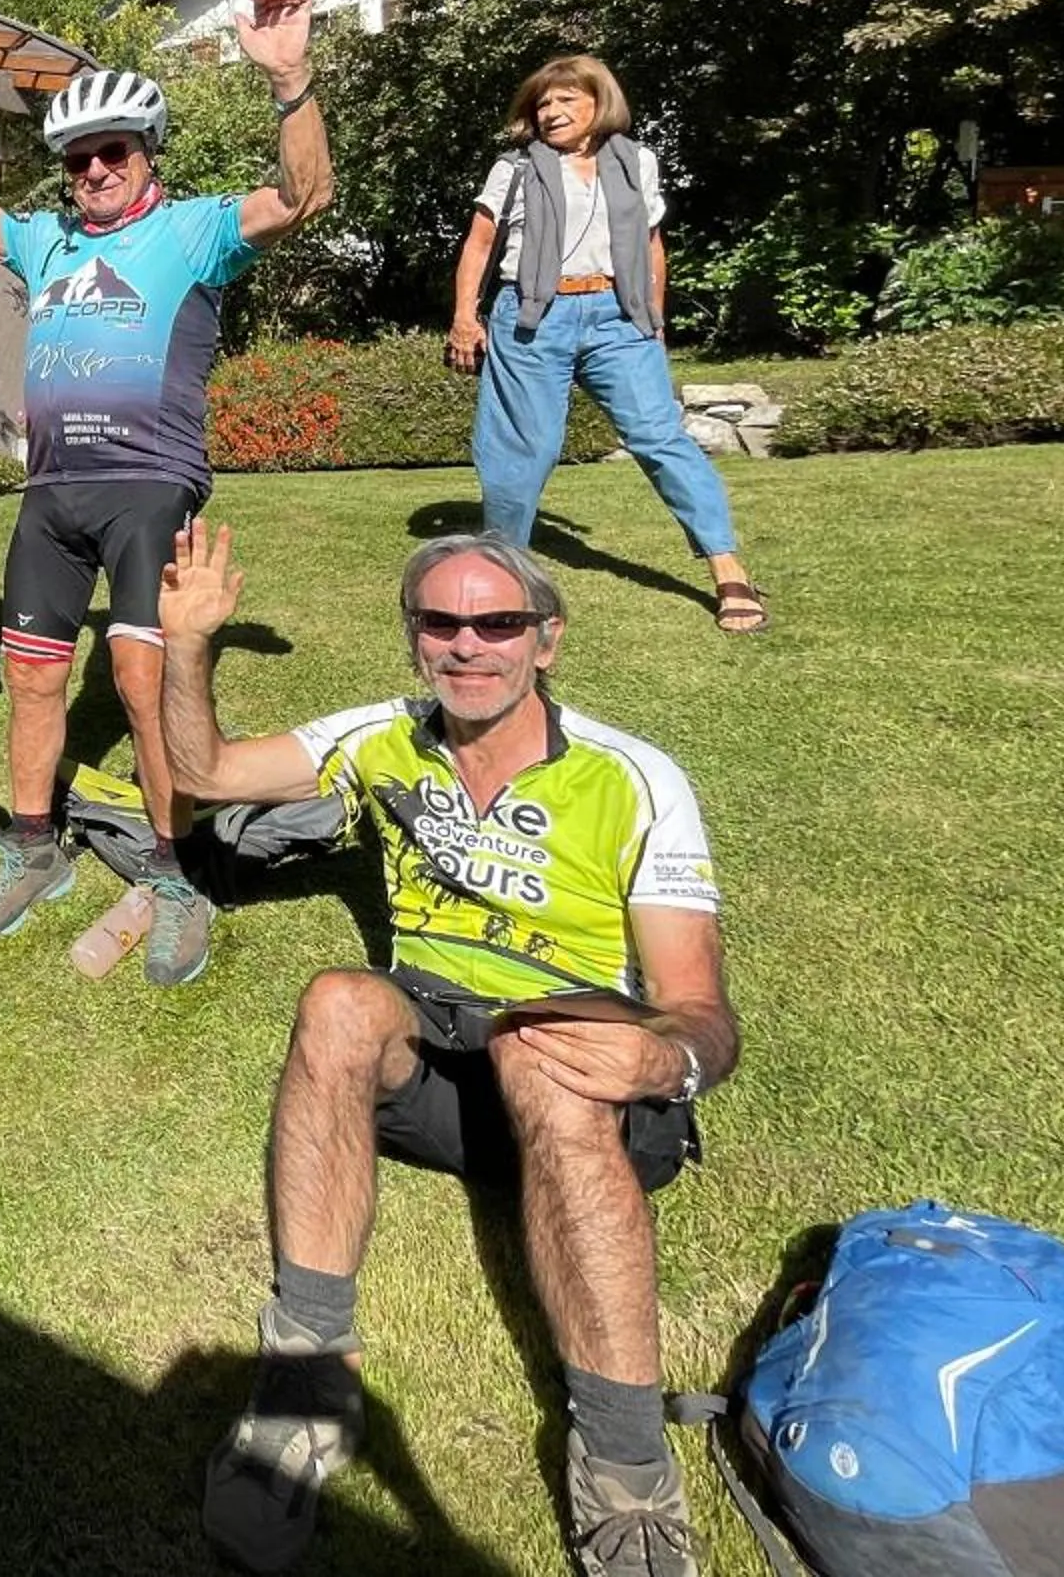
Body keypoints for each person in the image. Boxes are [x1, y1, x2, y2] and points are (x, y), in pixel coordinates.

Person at [158, 522, 737, 1577]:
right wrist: (191, 645)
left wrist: (665, 1065)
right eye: (442, 623)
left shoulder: (634, 779)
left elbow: (701, 1011)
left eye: (498, 623)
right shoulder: (384, 736)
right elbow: (202, 773)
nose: (469, 646)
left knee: (538, 1053)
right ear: (414, 638)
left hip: (577, 1084)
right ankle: (308, 1383)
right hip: (435, 1049)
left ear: (547, 641)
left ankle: (624, 1465)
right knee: (337, 1000)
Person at [0, 3, 332, 982]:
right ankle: (32, 848)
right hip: (52, 494)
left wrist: (290, 79)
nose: (95, 171)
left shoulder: (194, 233)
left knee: (144, 682)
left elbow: (302, 194)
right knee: (31, 678)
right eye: (79, 159)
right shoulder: (45, 241)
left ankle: (175, 871)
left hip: (149, 487)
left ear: (146, 151)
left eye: (112, 153)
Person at [447, 54, 766, 635]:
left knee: (659, 436)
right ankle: (503, 576)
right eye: (543, 102)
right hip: (531, 316)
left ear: (600, 102)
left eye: (566, 99)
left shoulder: (635, 162)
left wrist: (655, 319)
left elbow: (650, 244)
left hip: (618, 315)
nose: (551, 111)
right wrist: (465, 318)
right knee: (523, 450)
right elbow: (479, 244)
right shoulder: (514, 168)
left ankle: (729, 569)